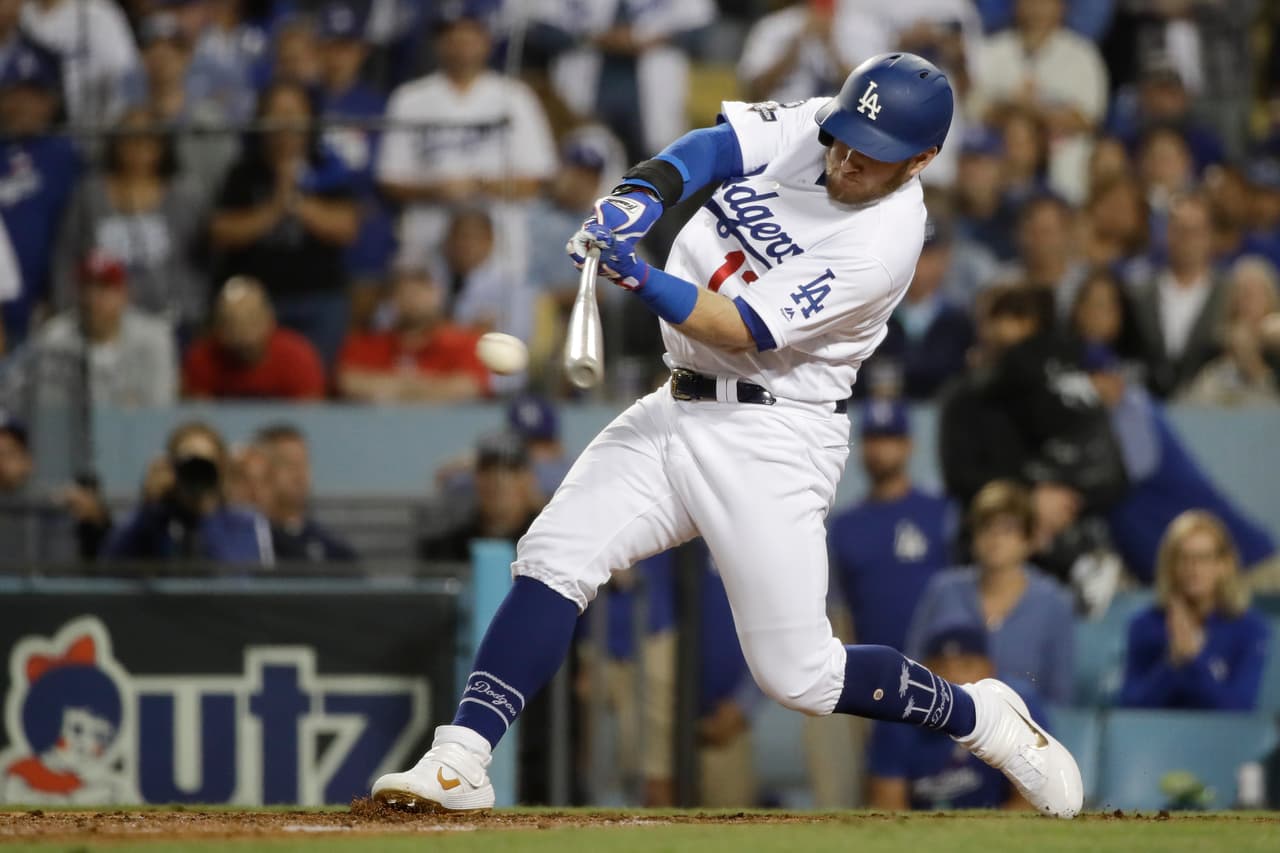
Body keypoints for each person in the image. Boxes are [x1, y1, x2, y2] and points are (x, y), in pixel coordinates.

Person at [372, 53, 1083, 818]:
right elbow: (715, 146)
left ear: (922, 160)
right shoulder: (830, 125)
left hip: (771, 434)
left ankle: (980, 716)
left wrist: (637, 274)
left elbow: (737, 326)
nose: (844, 159)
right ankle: (461, 757)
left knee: (799, 675)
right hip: (675, 403)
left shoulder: (885, 242)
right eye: (844, 137)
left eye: (869, 154)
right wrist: (642, 192)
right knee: (553, 557)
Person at [377, 2, 556, 278]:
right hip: (426, 237)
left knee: (496, 318)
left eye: (469, 34)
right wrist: (434, 190)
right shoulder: (410, 98)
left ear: (486, 40)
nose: (460, 43)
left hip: (501, 242)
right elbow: (389, 178)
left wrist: (479, 185)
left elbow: (538, 179)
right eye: (452, 35)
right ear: (437, 42)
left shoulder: (515, 96)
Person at [1084, 344, 1276, 585]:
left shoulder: (1134, 409)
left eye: (1105, 375)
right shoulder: (1096, 424)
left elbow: (1125, 475)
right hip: (1181, 581)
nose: (1105, 384)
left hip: (1247, 565)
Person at [209, 80, 359, 366]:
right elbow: (221, 231)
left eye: (293, 114)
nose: (284, 125)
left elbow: (345, 228)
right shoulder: (244, 173)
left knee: (313, 380)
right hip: (256, 303)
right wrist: (274, 207)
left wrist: (297, 202)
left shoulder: (329, 168)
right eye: (275, 114)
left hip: (318, 298)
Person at [906, 481, 1076, 705]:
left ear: (1028, 539)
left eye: (1007, 529)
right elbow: (913, 667)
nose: (995, 540)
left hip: (1024, 730)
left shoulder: (1054, 603)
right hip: (942, 727)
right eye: (986, 527)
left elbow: (1060, 694)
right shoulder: (942, 591)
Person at [51, 107, 207, 331]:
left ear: (162, 144)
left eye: (147, 138)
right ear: (115, 143)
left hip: (172, 320)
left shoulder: (184, 195)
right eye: (129, 138)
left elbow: (199, 259)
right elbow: (66, 255)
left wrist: (193, 310)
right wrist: (67, 307)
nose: (138, 146)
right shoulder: (89, 195)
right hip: (100, 324)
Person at [829, 398, 955, 651]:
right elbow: (837, 609)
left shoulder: (941, 511)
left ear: (908, 445)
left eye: (889, 439)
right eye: (872, 439)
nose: (879, 450)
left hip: (939, 662)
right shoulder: (843, 525)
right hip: (874, 669)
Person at [867, 625, 1040, 811]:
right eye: (940, 667)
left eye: (966, 666)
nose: (952, 676)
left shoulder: (1017, 707)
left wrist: (982, 838)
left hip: (999, 832)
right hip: (925, 834)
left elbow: (1031, 800)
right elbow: (888, 805)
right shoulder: (898, 716)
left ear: (990, 670)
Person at [1117, 511, 1270, 710]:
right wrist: (1172, 664)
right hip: (1156, 738)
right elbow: (1130, 708)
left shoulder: (1250, 630)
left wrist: (1195, 660)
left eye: (1203, 558)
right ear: (1170, 565)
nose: (1193, 568)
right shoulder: (1144, 626)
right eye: (1184, 558)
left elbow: (1238, 711)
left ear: (1223, 565)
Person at [968, 0, 1108, 202]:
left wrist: (1031, 110)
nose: (1036, 8)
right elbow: (976, 109)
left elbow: (1089, 119)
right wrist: (1016, 112)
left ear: (1062, 7)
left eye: (1045, 2)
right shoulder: (992, 51)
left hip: (1065, 165)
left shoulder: (1082, 55)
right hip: (999, 171)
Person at [101, 420, 273, 564]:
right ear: (172, 469)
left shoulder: (246, 523)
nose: (197, 474)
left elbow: (241, 577)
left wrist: (207, 512)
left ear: (221, 467)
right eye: (189, 465)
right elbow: (111, 566)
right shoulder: (153, 522)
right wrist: (148, 505)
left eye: (205, 465)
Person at [0, 38, 81, 344]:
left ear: (52, 101)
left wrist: (60, 296)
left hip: (51, 308)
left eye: (34, 95)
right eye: (14, 94)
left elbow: (78, 233)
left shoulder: (67, 156)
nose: (23, 105)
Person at [35, 249, 178, 407]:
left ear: (124, 294)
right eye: (87, 287)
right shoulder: (55, 339)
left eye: (104, 288)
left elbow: (160, 408)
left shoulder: (154, 339)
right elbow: (49, 410)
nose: (92, 298)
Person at [336, 265, 490, 403]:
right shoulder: (366, 343)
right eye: (404, 293)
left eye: (419, 293)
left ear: (437, 296)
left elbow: (469, 386)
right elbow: (347, 382)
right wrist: (430, 387)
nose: (412, 301)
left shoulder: (464, 343)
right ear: (391, 300)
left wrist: (392, 386)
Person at [858, 216, 974, 399]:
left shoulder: (961, 321)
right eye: (913, 254)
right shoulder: (873, 315)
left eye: (927, 256)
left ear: (945, 258)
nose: (919, 266)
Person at [1131, 193, 1228, 398]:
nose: (1187, 240)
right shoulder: (1140, 295)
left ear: (1209, 236)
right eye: (1179, 230)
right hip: (1152, 407)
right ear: (1167, 234)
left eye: (1195, 231)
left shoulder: (1228, 294)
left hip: (1211, 411)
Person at [183, 276, 326, 400]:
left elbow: (311, 416)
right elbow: (199, 416)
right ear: (216, 327)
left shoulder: (297, 356)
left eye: (251, 320)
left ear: (270, 318)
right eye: (230, 322)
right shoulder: (201, 359)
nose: (241, 331)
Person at [1179, 256, 1280, 406]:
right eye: (1240, 292)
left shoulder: (1275, 350)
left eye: (1255, 293)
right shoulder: (1215, 347)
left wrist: (1253, 365)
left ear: (1270, 297)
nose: (1246, 300)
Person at [20, 0, 138, 125]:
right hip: (23, 131)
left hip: (93, 131)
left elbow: (131, 76)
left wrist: (124, 123)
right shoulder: (19, 14)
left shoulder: (98, 13)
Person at [254, 423, 356, 562]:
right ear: (262, 471)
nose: (299, 474)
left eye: (303, 463)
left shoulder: (333, 549)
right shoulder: (252, 542)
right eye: (288, 464)